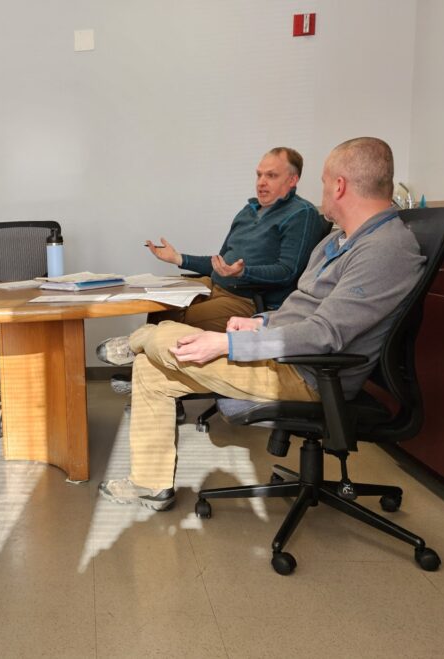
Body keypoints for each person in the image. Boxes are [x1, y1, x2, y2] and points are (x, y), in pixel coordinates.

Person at [98, 137, 425, 511]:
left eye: (323, 183)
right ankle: (150, 485)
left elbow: (324, 334)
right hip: (284, 355)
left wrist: (227, 344)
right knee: (151, 367)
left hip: (310, 375)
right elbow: (300, 308)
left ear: (339, 186)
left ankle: (138, 339)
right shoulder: (339, 241)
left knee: (159, 341)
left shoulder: (384, 249)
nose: (321, 193)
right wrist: (258, 322)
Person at [97, 147, 328, 372]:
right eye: (259, 175)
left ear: (292, 180)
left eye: (271, 176)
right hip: (214, 285)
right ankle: (143, 365)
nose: (261, 182)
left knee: (176, 323)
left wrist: (243, 273)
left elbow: (288, 271)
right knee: (164, 299)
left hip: (248, 299)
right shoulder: (247, 211)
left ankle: (135, 349)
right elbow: (220, 262)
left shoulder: (301, 214)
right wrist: (178, 258)